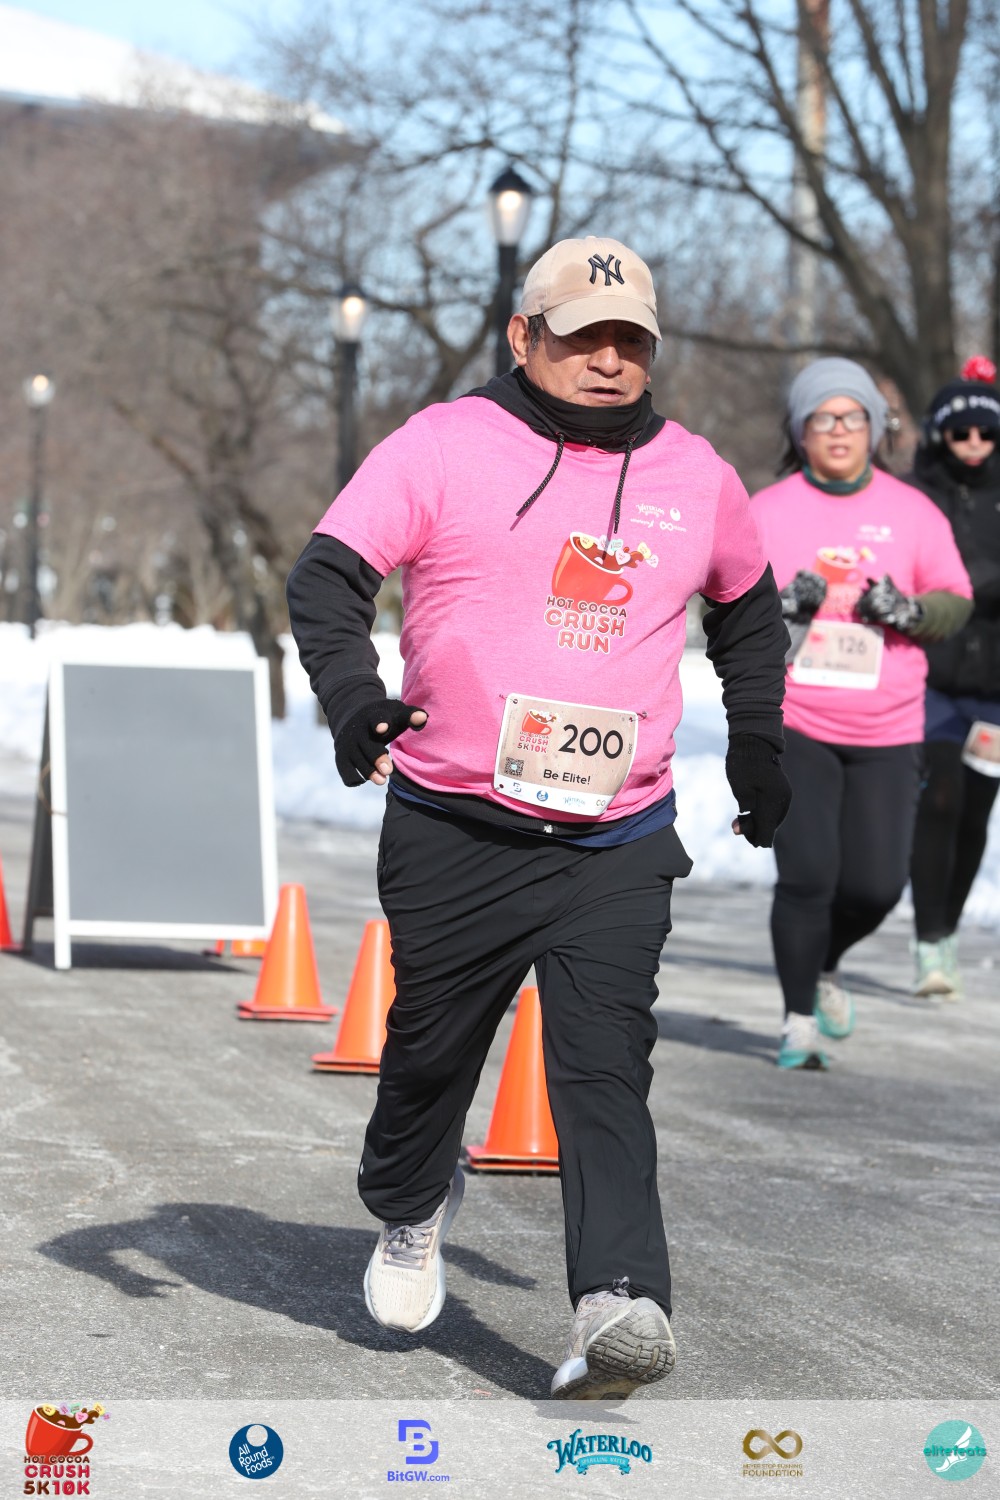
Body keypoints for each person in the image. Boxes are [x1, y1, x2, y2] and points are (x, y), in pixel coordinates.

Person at [287, 235, 791, 1400]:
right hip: (456, 823)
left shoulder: (696, 474)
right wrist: (354, 698)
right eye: (581, 337)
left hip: (615, 837)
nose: (608, 361)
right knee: (427, 1060)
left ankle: (618, 1299)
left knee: (603, 1066)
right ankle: (412, 1203)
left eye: (630, 342)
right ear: (523, 336)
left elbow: (749, 611)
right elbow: (327, 576)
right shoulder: (443, 445)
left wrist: (758, 744)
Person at [751, 358, 973, 1070]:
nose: (839, 430)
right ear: (800, 431)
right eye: (823, 417)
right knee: (807, 875)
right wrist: (783, 607)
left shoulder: (914, 511)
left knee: (876, 887)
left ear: (875, 428)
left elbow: (955, 597)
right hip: (798, 719)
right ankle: (797, 1024)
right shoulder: (768, 511)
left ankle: (826, 961)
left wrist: (910, 611)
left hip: (890, 725)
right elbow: (727, 605)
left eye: (853, 416)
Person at [905, 358, 1000, 998]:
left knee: (975, 811)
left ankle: (947, 932)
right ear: (940, 432)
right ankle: (927, 939)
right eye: (960, 432)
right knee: (939, 796)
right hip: (930, 675)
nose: (973, 443)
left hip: (994, 686)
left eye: (985, 432)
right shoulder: (915, 494)